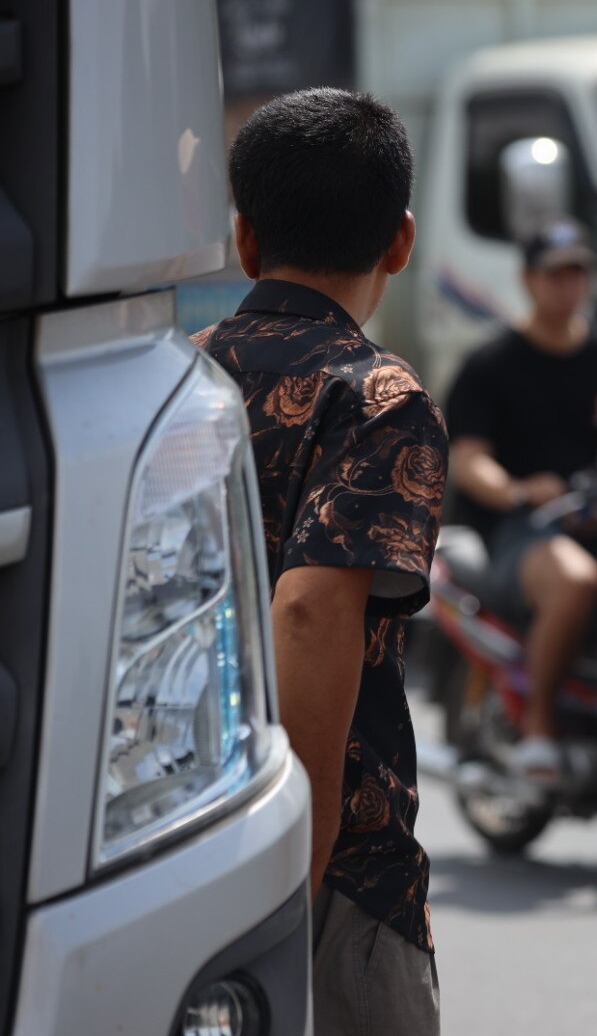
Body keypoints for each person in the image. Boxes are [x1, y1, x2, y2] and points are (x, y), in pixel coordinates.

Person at [192, 87, 445, 1035]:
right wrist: (297, 860)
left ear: (245, 240)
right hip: (332, 869)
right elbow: (311, 610)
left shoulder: (180, 376)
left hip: (170, 830)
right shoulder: (379, 396)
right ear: (402, 242)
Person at [445, 218, 597, 781]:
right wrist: (519, 490)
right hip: (518, 529)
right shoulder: (492, 365)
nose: (569, 286)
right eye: (556, 274)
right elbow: (469, 460)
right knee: (577, 581)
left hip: (595, 518)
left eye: (579, 272)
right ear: (527, 280)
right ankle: (539, 728)